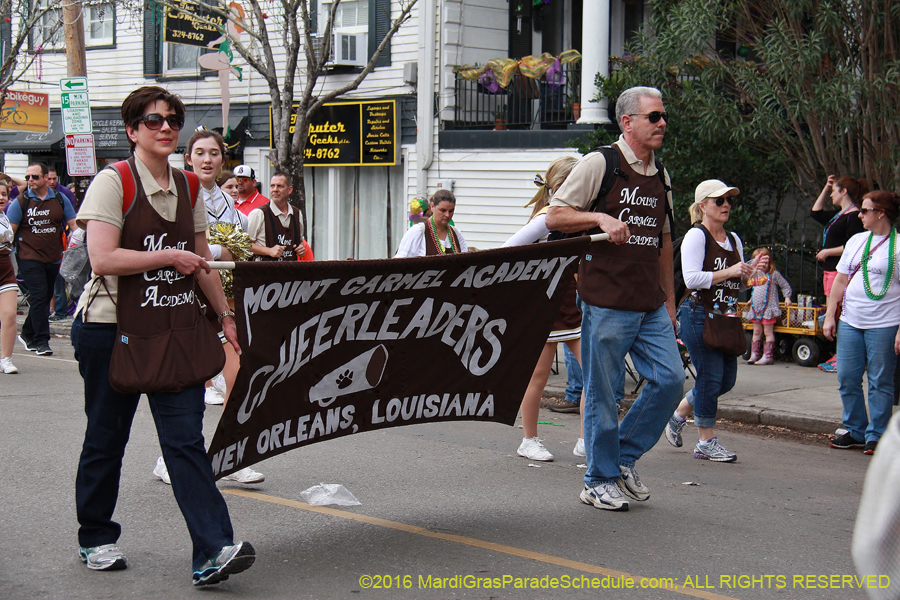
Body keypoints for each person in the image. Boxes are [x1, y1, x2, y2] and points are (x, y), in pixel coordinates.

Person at [71, 86, 255, 585]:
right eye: (154, 120)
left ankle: (213, 550)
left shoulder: (189, 187)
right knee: (107, 438)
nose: (166, 127)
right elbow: (104, 257)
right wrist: (166, 257)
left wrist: (226, 319)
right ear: (133, 130)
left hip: (174, 328)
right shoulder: (114, 183)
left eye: (172, 119)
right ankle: (96, 537)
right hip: (111, 331)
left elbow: (201, 264)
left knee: (185, 441)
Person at [545, 86, 682, 512]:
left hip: (650, 304)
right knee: (604, 393)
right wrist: (600, 216)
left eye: (662, 117)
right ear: (628, 122)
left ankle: (621, 458)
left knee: (671, 380)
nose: (662, 123)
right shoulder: (600, 163)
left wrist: (670, 305)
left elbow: (664, 244)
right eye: (654, 117)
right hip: (605, 301)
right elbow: (555, 214)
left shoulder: (662, 176)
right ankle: (598, 479)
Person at [151, 128, 263, 486]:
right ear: (188, 158)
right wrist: (214, 252)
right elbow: (171, 246)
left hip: (220, 296)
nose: (207, 159)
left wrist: (220, 254)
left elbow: (239, 249)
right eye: (200, 152)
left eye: (214, 153)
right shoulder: (176, 193)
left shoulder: (230, 203)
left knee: (238, 374)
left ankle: (232, 453)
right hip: (181, 297)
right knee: (186, 382)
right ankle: (168, 458)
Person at [664, 180, 764, 462]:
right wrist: (730, 270)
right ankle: (706, 442)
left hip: (726, 313)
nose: (726, 206)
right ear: (702, 206)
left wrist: (750, 275)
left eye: (728, 201)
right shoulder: (697, 236)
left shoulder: (733, 239)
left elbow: (739, 283)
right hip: (697, 312)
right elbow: (692, 278)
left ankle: (679, 413)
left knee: (726, 380)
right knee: (709, 377)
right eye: (719, 201)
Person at [503, 157, 584, 461]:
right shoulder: (547, 216)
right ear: (563, 184)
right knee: (538, 374)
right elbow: (509, 250)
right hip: (548, 302)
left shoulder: (579, 213)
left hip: (577, 301)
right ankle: (529, 439)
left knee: (593, 374)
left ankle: (586, 439)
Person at [824, 190, 900, 456]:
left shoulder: (899, 246)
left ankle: (877, 434)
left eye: (865, 210)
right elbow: (840, 280)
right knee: (847, 376)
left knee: (880, 380)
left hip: (885, 323)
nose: (860, 214)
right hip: (851, 321)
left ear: (881, 213)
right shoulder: (856, 240)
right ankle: (856, 430)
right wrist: (831, 314)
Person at [8, 162, 77, 356]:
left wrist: (80, 242)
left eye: (35, 176)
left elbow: (74, 225)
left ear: (46, 178)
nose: (30, 180)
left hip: (53, 257)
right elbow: (9, 232)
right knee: (39, 296)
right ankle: (41, 341)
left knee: (44, 298)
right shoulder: (20, 202)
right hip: (28, 256)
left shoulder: (60, 199)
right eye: (28, 176)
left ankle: (28, 333)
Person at [812, 175, 867, 372]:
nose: (831, 195)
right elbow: (816, 213)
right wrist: (826, 188)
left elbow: (854, 245)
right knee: (832, 314)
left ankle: (843, 355)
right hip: (830, 271)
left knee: (839, 312)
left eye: (834, 191)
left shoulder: (854, 216)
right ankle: (839, 354)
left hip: (840, 272)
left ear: (844, 192)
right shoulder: (839, 215)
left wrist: (828, 251)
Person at [743, 247, 792, 365]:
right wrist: (750, 300)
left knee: (768, 332)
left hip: (768, 308)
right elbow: (755, 290)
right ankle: (754, 354)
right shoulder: (756, 276)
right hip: (756, 308)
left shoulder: (773, 275)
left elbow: (785, 286)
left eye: (764, 262)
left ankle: (768, 355)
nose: (761, 264)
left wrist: (787, 297)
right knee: (756, 331)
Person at [247, 172, 306, 260]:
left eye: (280, 186)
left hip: (290, 271)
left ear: (289, 190)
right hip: (265, 271)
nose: (275, 189)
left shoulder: (297, 214)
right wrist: (269, 251)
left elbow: (300, 241)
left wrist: (301, 248)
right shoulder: (258, 214)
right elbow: (244, 245)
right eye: (272, 186)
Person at [394, 190, 468, 257]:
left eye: (451, 211)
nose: (447, 215)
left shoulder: (456, 233)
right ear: (432, 207)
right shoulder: (418, 231)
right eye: (443, 210)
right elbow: (401, 262)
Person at [0, 180, 19, 373]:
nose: (1, 197)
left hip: (5, 270)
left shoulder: (6, 216)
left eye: (4, 194)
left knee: (10, 315)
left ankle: (6, 359)